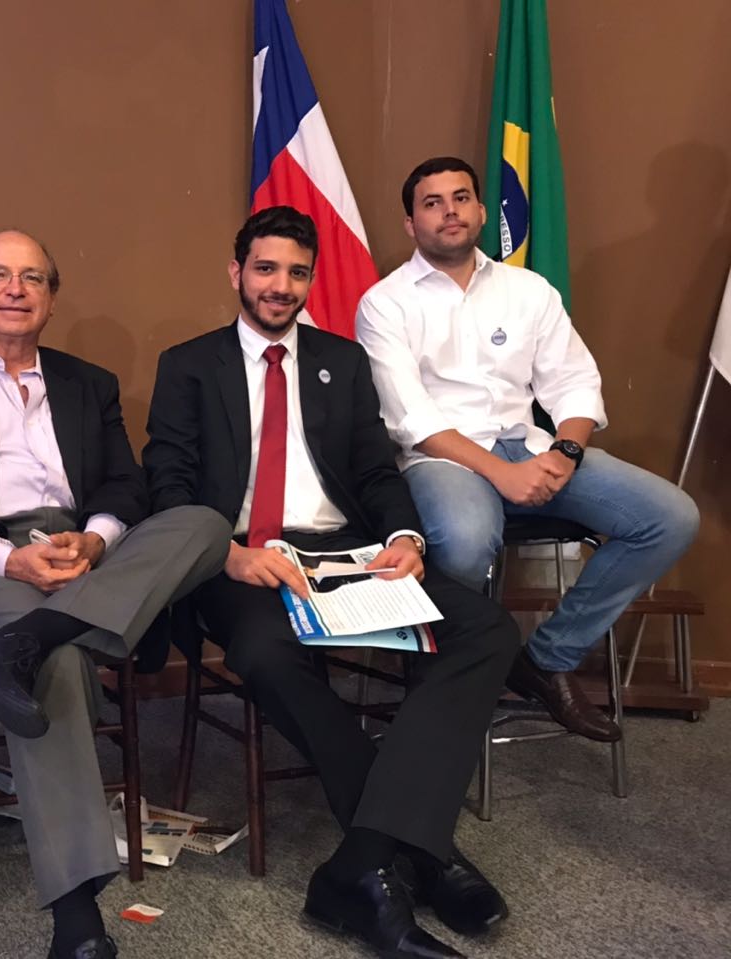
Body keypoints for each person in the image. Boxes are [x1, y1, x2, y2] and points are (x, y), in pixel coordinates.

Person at [144, 206, 521, 959]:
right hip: (239, 558)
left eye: (296, 272)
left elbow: (377, 472)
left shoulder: (341, 361)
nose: (280, 286)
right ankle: (420, 851)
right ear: (236, 273)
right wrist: (228, 552)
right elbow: (168, 482)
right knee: (266, 652)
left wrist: (406, 537)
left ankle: (364, 861)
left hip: (343, 552)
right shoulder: (189, 363)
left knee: (487, 630)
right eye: (265, 269)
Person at [0, 228, 230, 959]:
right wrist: (10, 560)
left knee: (201, 523)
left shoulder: (88, 382)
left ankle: (23, 643)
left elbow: (124, 485)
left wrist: (96, 540)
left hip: (81, 556)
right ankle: (77, 920)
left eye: (33, 277)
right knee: (61, 662)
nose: (16, 288)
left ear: (50, 297)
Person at [356, 156, 700, 741]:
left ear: (482, 210)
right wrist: (501, 474)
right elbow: (409, 418)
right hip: (444, 460)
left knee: (670, 517)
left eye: (461, 198)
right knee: (463, 543)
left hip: (532, 448)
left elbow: (574, 383)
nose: (450, 212)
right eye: (432, 203)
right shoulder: (384, 303)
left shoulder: (528, 289)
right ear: (411, 224)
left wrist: (564, 453)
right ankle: (447, 677)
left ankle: (546, 659)